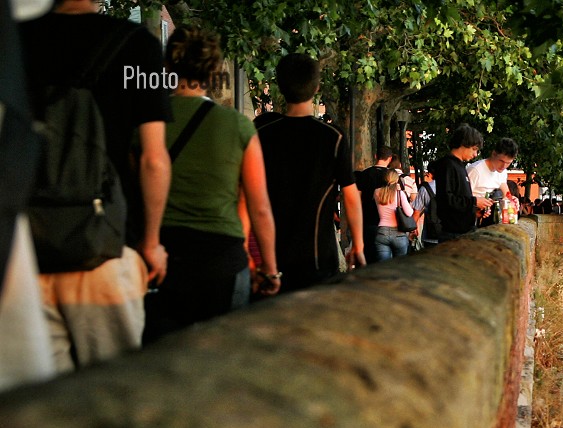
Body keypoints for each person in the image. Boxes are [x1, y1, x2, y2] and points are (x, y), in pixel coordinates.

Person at [21, 0, 171, 369]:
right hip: (104, 246)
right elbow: (154, 159)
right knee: (113, 396)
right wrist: (150, 243)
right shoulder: (138, 45)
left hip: (26, 252)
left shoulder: (14, 40)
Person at [144, 27, 278, 343]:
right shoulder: (238, 125)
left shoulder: (147, 122)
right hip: (222, 261)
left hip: (162, 256)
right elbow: (259, 206)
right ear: (214, 70)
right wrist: (270, 269)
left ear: (168, 66)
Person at [254, 52, 365, 293]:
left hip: (272, 256)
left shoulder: (262, 135)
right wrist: (358, 244)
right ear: (316, 88)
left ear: (280, 87)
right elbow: (351, 196)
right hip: (318, 257)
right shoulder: (332, 137)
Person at [425, 124, 484, 242]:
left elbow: (458, 199)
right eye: (474, 149)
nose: (475, 154)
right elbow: (447, 200)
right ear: (464, 144)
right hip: (453, 234)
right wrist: (474, 201)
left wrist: (473, 211)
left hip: (463, 231)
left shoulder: (460, 166)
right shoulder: (447, 165)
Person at [467, 138, 518, 225]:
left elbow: (506, 193)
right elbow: (462, 196)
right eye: (501, 161)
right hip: (463, 215)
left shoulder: (502, 172)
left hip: (477, 215)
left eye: (508, 163)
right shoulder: (476, 170)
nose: (503, 166)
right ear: (494, 154)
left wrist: (512, 200)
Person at [371, 169, 414, 261]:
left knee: (383, 267)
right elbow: (409, 213)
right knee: (400, 267)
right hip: (399, 233)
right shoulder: (399, 194)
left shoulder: (376, 192)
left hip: (382, 232)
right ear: (396, 180)